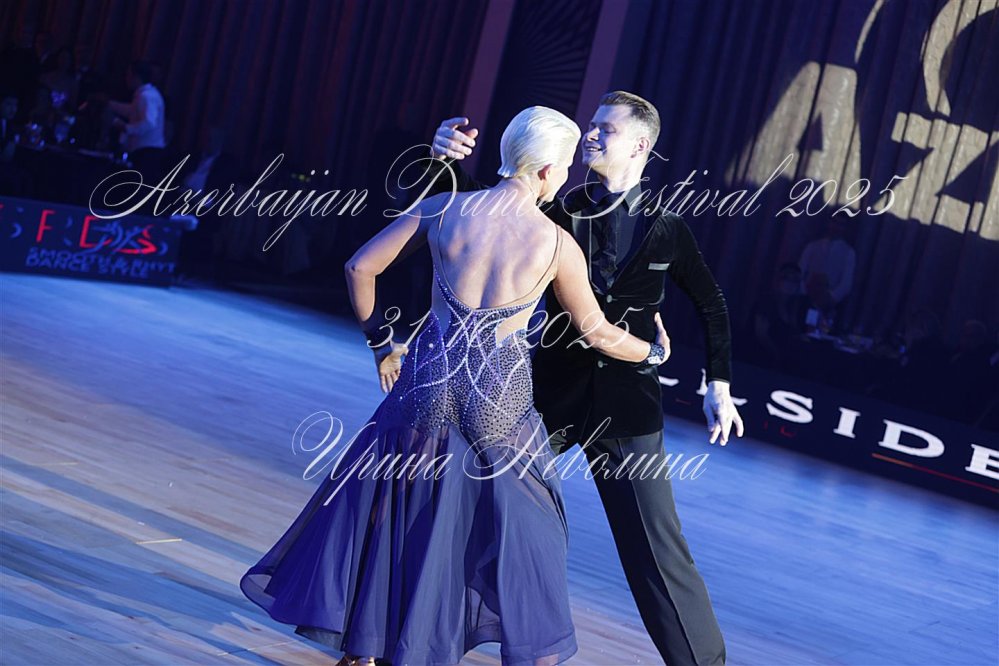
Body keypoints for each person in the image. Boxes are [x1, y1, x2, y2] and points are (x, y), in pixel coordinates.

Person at [240, 106, 671, 666]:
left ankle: (363, 649)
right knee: (530, 529)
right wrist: (653, 351)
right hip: (499, 402)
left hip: (424, 386)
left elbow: (359, 268)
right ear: (545, 169)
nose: (567, 176)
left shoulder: (444, 209)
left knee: (394, 512)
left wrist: (382, 344)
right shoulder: (555, 243)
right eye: (565, 166)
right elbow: (597, 333)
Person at [428, 91, 741, 665]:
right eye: (591, 125)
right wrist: (447, 163)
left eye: (605, 129)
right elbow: (489, 208)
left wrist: (718, 386)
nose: (590, 134)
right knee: (467, 505)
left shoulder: (667, 227)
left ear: (640, 145)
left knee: (657, 550)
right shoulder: (559, 207)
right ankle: (409, 636)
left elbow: (711, 303)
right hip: (546, 397)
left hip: (626, 406)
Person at [107, 60, 166, 181]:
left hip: (147, 154)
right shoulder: (146, 95)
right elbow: (133, 111)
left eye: (129, 75)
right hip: (146, 153)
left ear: (137, 77)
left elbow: (149, 123)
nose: (126, 78)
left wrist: (123, 127)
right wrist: (109, 104)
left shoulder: (147, 96)